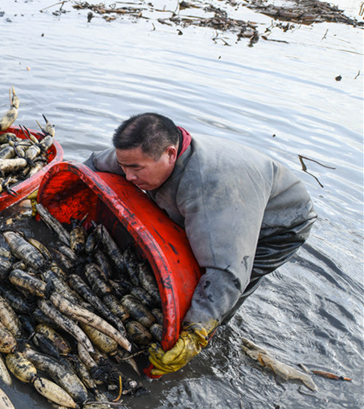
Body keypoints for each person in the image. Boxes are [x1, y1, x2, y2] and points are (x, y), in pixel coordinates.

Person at [83, 113, 316, 379]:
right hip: (227, 202)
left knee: (225, 291)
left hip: (277, 225)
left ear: (170, 154)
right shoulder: (140, 155)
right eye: (124, 166)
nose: (128, 176)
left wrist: (195, 333)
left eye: (136, 168)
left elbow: (226, 271)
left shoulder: (207, 190)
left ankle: (211, 333)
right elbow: (92, 165)